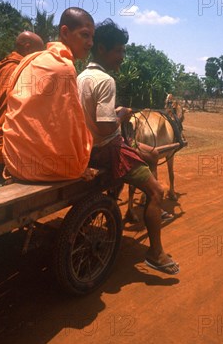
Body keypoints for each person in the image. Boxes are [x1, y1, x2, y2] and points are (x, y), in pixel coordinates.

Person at [77, 19, 179, 275]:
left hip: (85, 148)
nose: (122, 56)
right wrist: (121, 115)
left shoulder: (80, 77)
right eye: (119, 51)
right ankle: (155, 253)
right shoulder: (105, 81)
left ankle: (125, 202)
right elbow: (104, 127)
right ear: (101, 49)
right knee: (157, 192)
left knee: (152, 153)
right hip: (106, 150)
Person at [2, 8, 95, 181]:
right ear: (65, 32)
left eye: (92, 37)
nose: (90, 43)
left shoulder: (35, 58)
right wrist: (79, 163)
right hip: (39, 168)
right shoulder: (63, 68)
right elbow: (69, 126)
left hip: (14, 160)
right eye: (85, 35)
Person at [0, 31, 45, 164]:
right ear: (28, 47)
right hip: (0, 146)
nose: (39, 58)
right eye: (38, 52)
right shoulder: (21, 71)